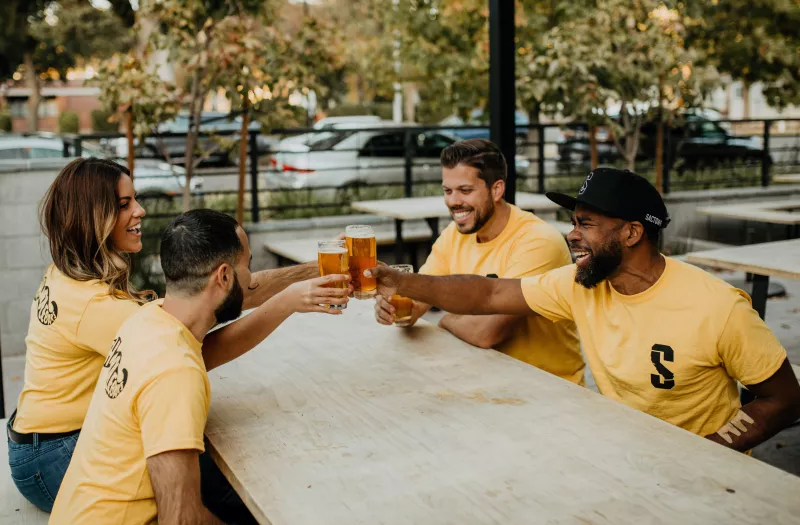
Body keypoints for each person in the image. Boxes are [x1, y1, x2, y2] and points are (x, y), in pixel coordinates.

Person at [366, 168, 800, 451]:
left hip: (700, 476)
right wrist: (399, 281)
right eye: (573, 222)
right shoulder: (579, 284)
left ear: (632, 233)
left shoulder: (717, 307)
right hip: (616, 449)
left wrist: (715, 450)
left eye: (586, 223)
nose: (571, 235)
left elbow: (784, 399)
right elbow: (488, 295)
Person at [7, 157, 322, 512]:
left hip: (38, 439)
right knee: (217, 473)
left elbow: (226, 289)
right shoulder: (95, 305)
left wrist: (312, 272)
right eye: (124, 204)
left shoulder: (72, 272)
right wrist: (288, 301)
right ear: (92, 218)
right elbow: (196, 343)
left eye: (134, 198)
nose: (140, 211)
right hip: (51, 455)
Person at [49, 209, 350, 524]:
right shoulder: (176, 374)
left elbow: (206, 351)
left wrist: (288, 300)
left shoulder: (147, 320)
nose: (251, 279)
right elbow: (181, 520)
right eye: (248, 267)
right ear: (223, 276)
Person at [374, 139, 584, 384]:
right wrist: (396, 309)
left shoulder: (538, 241)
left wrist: (446, 320)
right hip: (485, 378)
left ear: (496, 190)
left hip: (550, 388)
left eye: (465, 190)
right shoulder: (454, 234)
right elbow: (418, 300)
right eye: (447, 190)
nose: (453, 201)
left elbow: (487, 332)